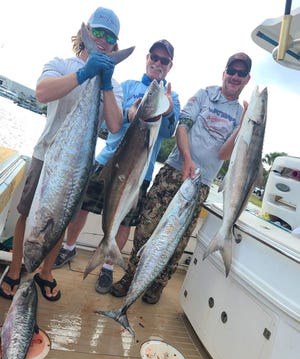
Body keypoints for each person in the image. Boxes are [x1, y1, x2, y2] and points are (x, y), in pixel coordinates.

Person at [0, 7, 123, 301]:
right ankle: (16, 269)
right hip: (47, 155)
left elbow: (116, 125)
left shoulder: (113, 84)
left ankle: (46, 272)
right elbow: (42, 93)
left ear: (115, 44)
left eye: (110, 37)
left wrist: (104, 83)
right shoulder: (62, 63)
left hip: (79, 164)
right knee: (27, 213)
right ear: (86, 34)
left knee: (63, 217)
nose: (103, 40)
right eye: (98, 32)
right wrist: (85, 74)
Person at [111, 52, 252, 304]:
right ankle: (131, 275)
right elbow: (183, 125)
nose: (235, 76)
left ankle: (157, 284)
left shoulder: (241, 114)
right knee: (146, 226)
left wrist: (242, 129)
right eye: (232, 70)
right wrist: (187, 159)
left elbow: (224, 153)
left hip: (201, 183)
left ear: (247, 79)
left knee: (177, 239)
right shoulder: (203, 95)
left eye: (241, 73)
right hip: (174, 170)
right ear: (224, 72)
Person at [54, 39, 180, 294]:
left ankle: (108, 266)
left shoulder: (171, 97)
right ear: (147, 58)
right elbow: (112, 117)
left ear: (170, 66)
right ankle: (69, 247)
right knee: (83, 207)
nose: (157, 63)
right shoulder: (128, 86)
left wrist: (166, 111)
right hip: (107, 161)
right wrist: (128, 114)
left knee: (124, 223)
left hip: (139, 171)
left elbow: (167, 132)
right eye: (154, 57)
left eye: (163, 60)